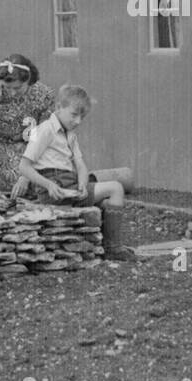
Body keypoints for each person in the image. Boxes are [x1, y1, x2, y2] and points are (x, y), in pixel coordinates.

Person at [17, 83, 134, 260]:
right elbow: (23, 167)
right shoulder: (42, 130)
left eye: (82, 117)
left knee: (105, 204)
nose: (78, 121)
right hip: (53, 190)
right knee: (116, 188)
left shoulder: (71, 135)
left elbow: (80, 165)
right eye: (74, 114)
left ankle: (107, 245)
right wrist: (48, 184)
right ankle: (114, 249)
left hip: (70, 186)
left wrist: (83, 183)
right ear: (58, 107)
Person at [0, 54, 55, 195]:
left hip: (38, 148)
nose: (12, 93)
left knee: (60, 176)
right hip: (5, 151)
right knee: (29, 184)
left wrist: (27, 175)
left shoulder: (44, 96)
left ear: (28, 80)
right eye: (7, 87)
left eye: (17, 88)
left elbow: (44, 138)